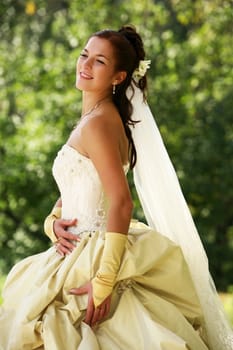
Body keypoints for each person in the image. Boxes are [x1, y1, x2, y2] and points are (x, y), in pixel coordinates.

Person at [0, 25, 232, 350]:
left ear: (118, 77)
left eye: (99, 61)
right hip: (78, 246)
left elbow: (122, 202)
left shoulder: (97, 123)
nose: (85, 64)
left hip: (95, 252)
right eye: (84, 55)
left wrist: (105, 280)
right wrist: (52, 221)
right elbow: (83, 184)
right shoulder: (100, 117)